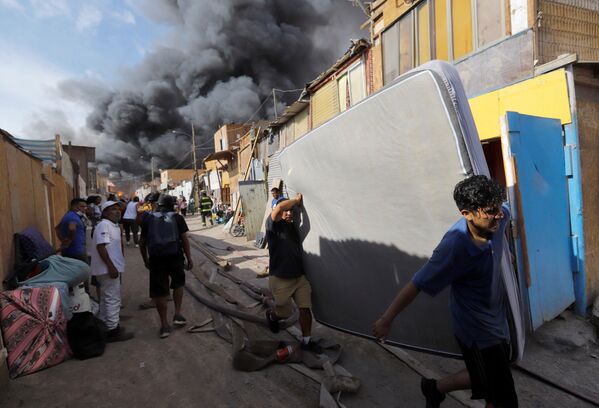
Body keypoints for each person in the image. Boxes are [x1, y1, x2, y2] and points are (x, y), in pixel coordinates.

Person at [372, 175, 517, 408]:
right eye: (491, 211)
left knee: (482, 377)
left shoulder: (500, 217)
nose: (499, 215)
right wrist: (386, 319)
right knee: (503, 397)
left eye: (499, 208)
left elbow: (503, 226)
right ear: (466, 214)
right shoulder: (454, 247)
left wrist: (504, 253)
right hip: (477, 329)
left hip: (497, 316)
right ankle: (435, 389)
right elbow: (416, 283)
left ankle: (434, 388)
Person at [264, 193, 322, 353]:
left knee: (305, 309)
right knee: (284, 312)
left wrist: (300, 209)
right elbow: (280, 207)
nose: (289, 213)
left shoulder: (293, 229)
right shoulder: (272, 225)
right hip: (281, 278)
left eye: (292, 211)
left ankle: (307, 341)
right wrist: (296, 201)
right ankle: (272, 315)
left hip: (299, 278)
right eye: (287, 210)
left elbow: (308, 227)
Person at [139, 194, 193, 338]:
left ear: (158, 205)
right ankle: (177, 314)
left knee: (159, 292)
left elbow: (142, 242)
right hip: (175, 256)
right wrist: (189, 258)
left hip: (156, 259)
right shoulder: (177, 218)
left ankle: (164, 325)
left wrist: (146, 260)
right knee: (178, 284)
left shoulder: (148, 219)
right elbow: (184, 240)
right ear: (172, 205)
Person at [89, 200, 134, 342]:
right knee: (113, 299)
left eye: (118, 209)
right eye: (113, 209)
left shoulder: (112, 225)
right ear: (105, 212)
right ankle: (113, 330)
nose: (117, 211)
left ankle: (104, 326)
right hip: (107, 269)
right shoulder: (104, 225)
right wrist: (111, 266)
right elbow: (101, 247)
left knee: (105, 299)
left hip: (110, 268)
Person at [55, 198, 88, 263]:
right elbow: (72, 228)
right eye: (82, 206)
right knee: (84, 271)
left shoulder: (69, 215)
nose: (84, 209)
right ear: (74, 206)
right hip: (76, 252)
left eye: (85, 207)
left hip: (70, 250)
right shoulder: (73, 217)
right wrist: (69, 240)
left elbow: (57, 228)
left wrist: (63, 240)